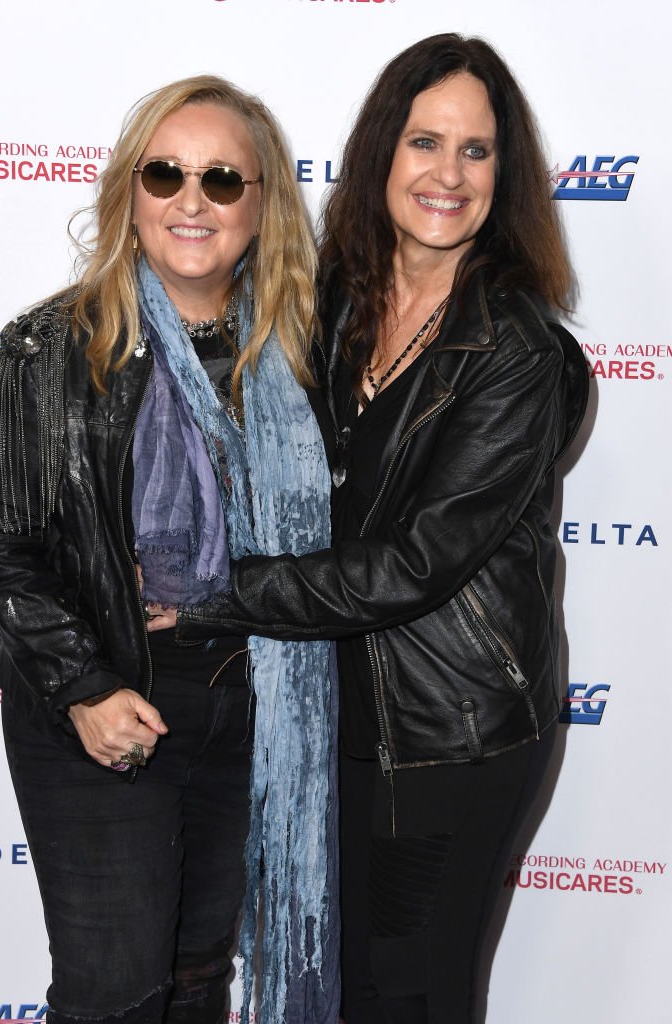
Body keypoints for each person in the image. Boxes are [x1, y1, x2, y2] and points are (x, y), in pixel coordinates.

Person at [168, 35, 590, 1024]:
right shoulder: (338, 304)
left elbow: (412, 566)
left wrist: (210, 592)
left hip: (453, 729)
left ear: (504, 174)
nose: (448, 174)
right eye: (424, 142)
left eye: (477, 151)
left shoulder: (517, 347)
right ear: (381, 156)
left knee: (410, 994)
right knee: (348, 988)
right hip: (340, 707)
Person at [0, 77, 338, 1024]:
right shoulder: (58, 344)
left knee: (201, 974)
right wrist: (83, 687)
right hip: (107, 700)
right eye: (165, 173)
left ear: (262, 206)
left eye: (222, 179)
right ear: (131, 191)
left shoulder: (302, 350)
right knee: (115, 991)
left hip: (256, 700)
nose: (191, 200)